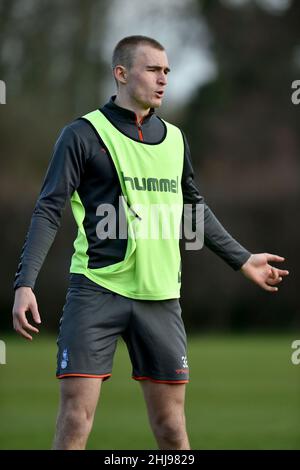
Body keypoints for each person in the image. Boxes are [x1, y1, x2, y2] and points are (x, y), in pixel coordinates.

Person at [12, 35, 289, 450]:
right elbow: (48, 210)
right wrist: (25, 282)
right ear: (121, 74)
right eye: (153, 70)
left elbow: (192, 208)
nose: (163, 80)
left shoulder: (176, 139)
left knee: (172, 430)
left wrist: (242, 259)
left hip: (161, 299)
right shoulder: (83, 135)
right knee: (75, 421)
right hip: (96, 291)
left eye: (167, 72)